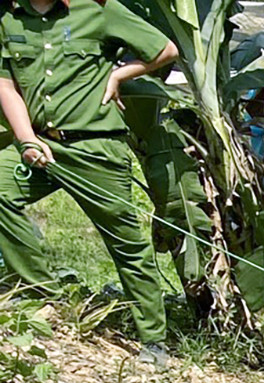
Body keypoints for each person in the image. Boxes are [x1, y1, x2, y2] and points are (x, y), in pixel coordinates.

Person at [0, 0, 178, 357]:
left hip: (97, 148)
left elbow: (165, 50)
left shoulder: (99, 9)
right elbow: (5, 86)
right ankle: (37, 291)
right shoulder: (7, 18)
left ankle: (154, 340)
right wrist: (26, 141)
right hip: (43, 144)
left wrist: (119, 74)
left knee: (126, 241)